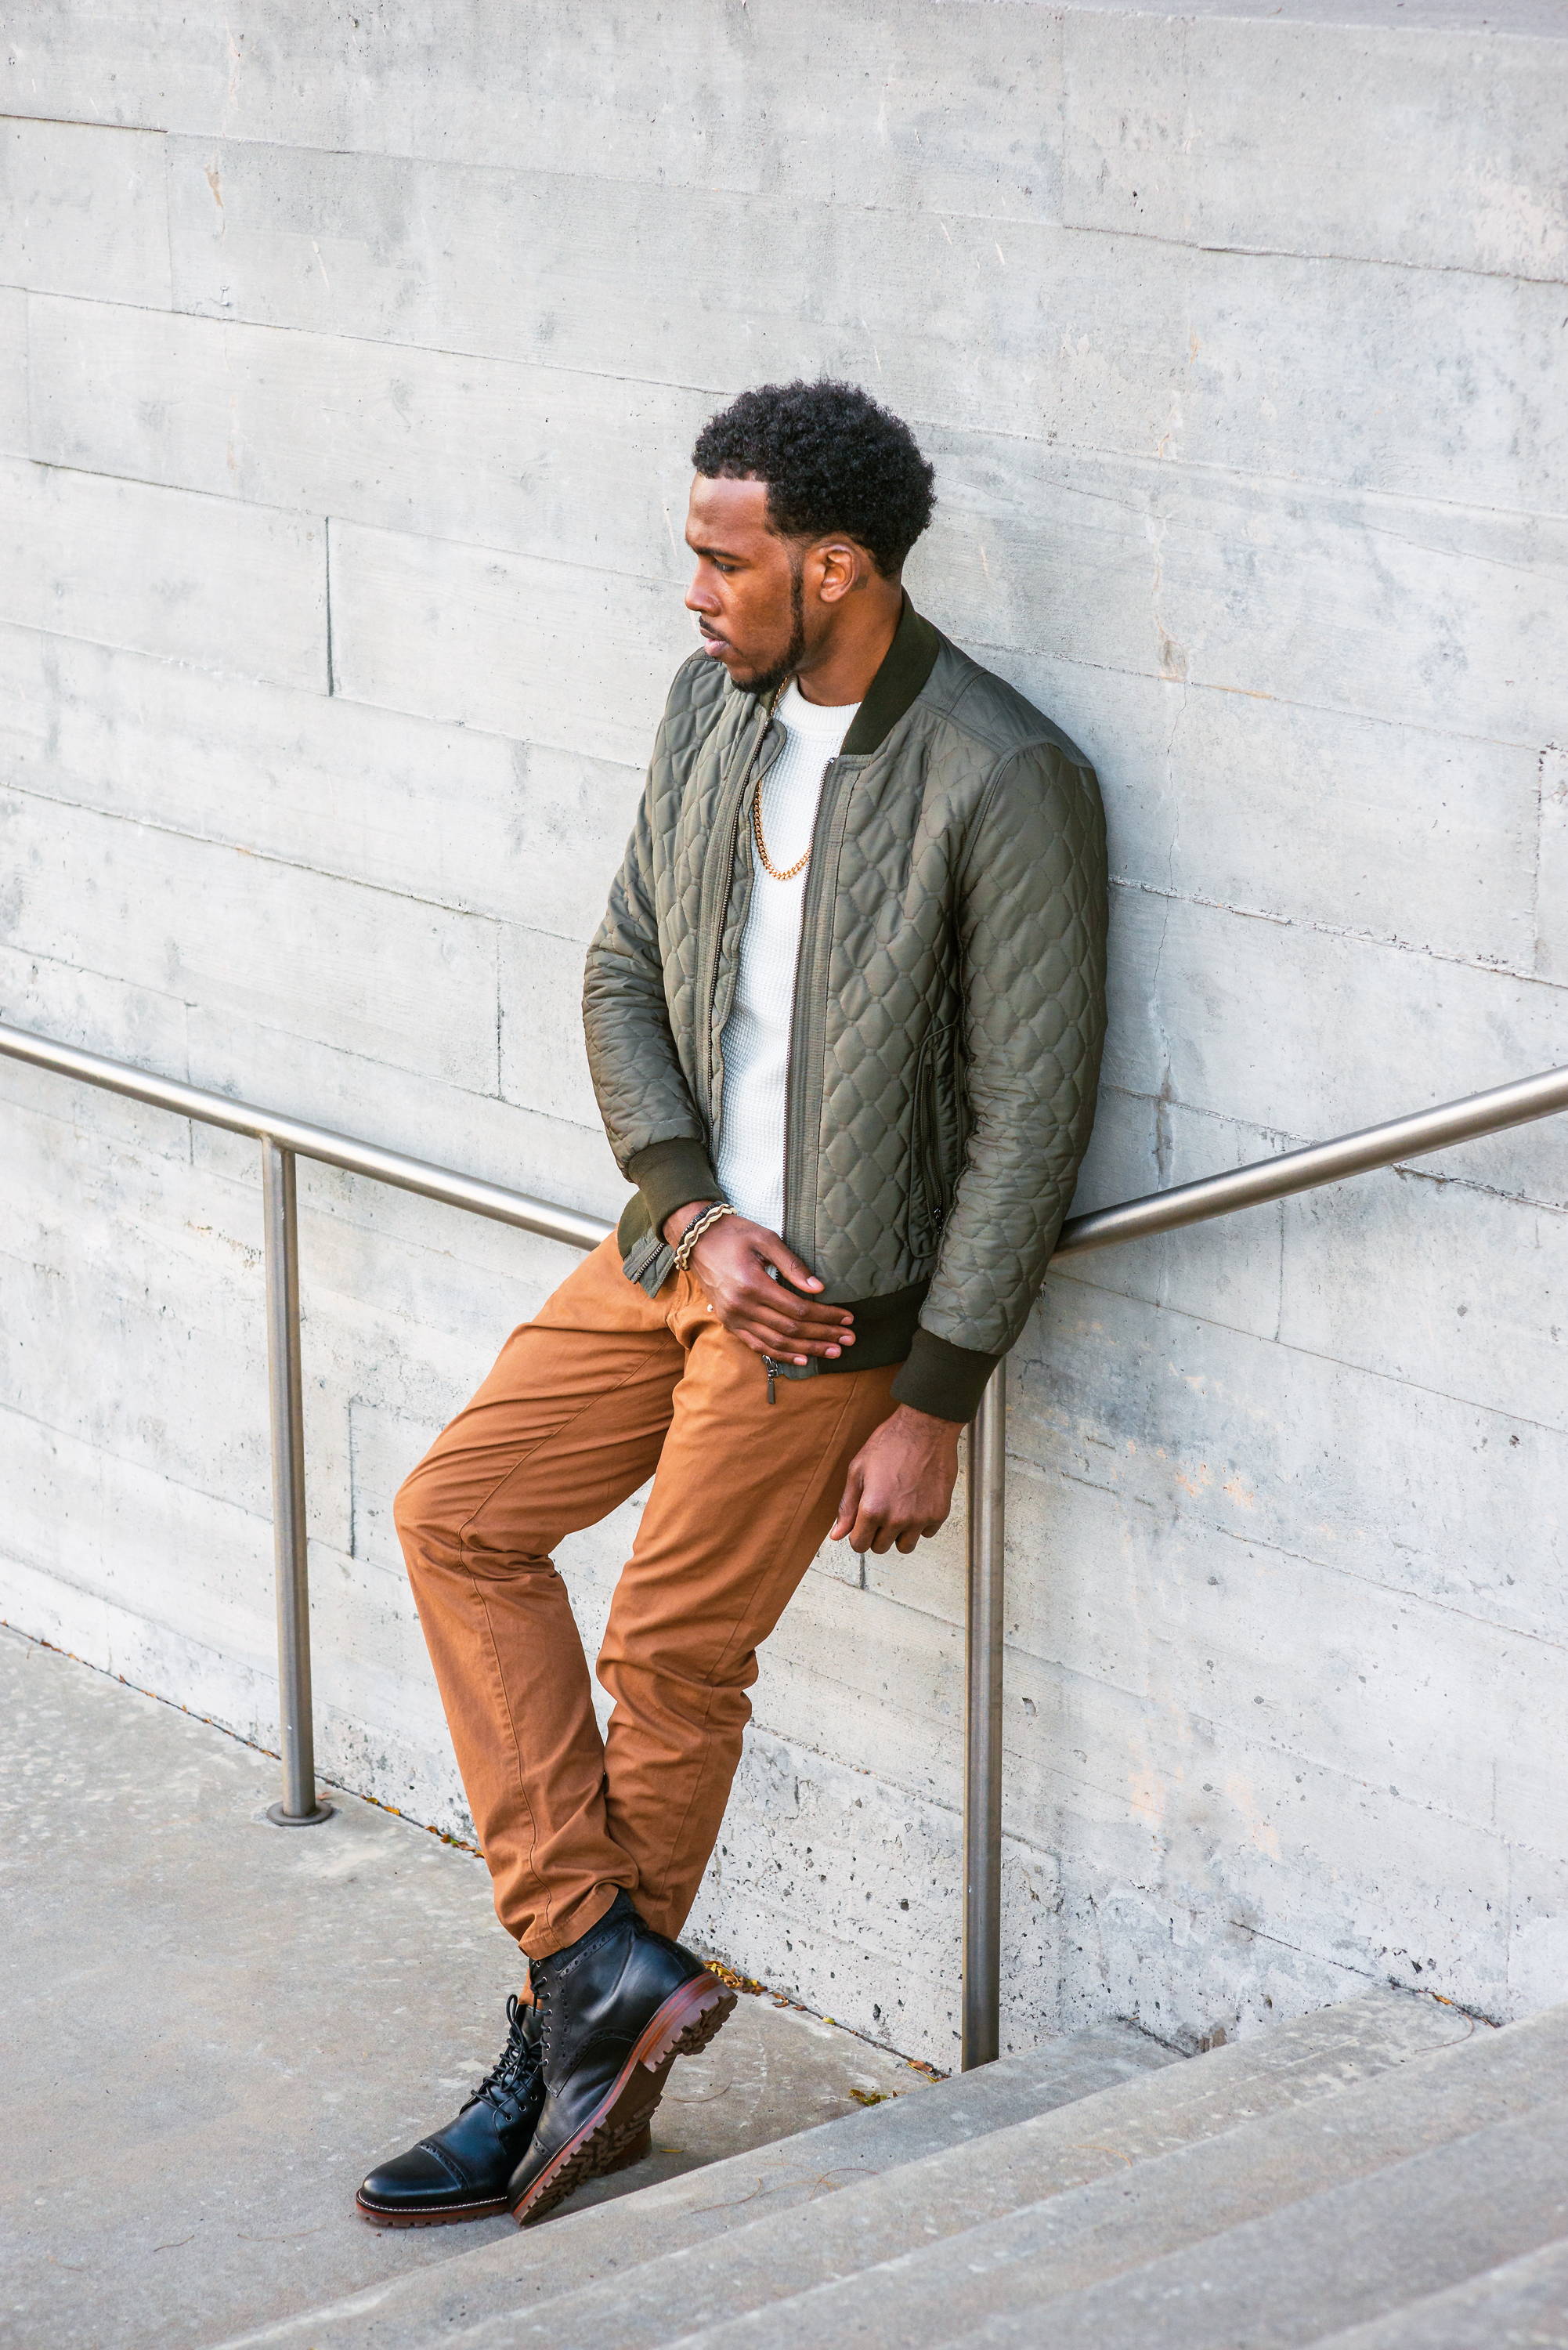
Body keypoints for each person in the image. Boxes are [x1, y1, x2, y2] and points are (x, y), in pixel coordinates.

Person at [356, 380, 1107, 2229]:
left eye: (722, 557)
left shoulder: (1001, 777)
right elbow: (621, 965)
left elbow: (1030, 1113)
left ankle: (559, 2056)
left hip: (822, 1326)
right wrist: (685, 1212)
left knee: (668, 1666)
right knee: (457, 1517)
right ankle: (596, 1965)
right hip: (671, 1263)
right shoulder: (707, 710)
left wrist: (933, 1391)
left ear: (832, 564)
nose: (690, 590)